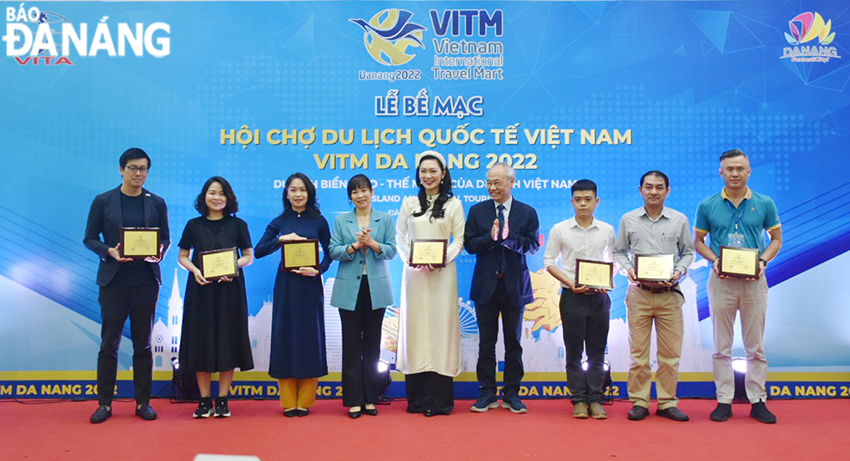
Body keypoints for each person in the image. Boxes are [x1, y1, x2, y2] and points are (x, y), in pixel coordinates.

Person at [694, 149, 782, 424]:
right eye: (729, 169)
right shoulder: (707, 205)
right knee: (722, 345)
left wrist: (763, 261)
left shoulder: (764, 203)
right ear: (721, 172)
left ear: (748, 172)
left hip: (754, 281)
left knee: (755, 345)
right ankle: (724, 399)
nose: (734, 173)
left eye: (740, 169)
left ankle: (758, 400)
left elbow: (776, 239)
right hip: (721, 281)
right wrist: (715, 261)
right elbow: (698, 242)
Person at [83, 147, 169, 424]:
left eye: (143, 168)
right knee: (109, 344)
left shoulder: (156, 202)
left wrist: (160, 252)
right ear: (121, 169)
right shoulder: (103, 201)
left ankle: (143, 402)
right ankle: (105, 404)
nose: (138, 173)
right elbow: (89, 238)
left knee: (143, 346)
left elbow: (165, 239)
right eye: (133, 168)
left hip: (146, 281)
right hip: (114, 282)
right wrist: (109, 251)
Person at [614, 171, 695, 422]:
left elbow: (688, 252)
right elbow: (619, 252)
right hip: (639, 294)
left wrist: (680, 271)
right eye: (648, 187)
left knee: (670, 355)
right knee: (638, 355)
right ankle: (639, 401)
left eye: (659, 187)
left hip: (669, 295)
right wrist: (628, 270)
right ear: (640, 190)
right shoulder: (628, 219)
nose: (653, 192)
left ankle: (667, 402)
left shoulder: (679, 220)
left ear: (667, 191)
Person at [177, 176, 255, 418]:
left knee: (227, 341)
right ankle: (203, 400)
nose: (217, 197)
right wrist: (195, 270)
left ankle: (222, 399)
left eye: (221, 193)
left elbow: (248, 256)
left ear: (228, 197)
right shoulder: (193, 225)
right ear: (204, 197)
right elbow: (182, 257)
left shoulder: (238, 225)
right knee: (201, 343)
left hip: (230, 290)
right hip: (200, 290)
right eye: (212, 193)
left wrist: (234, 267)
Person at [464, 163, 539, 414]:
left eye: (497, 182)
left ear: (511, 182)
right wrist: (491, 237)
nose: (492, 187)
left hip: (514, 287)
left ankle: (512, 393)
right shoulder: (477, 211)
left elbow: (532, 247)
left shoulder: (527, 212)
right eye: (489, 182)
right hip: (486, 287)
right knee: (486, 343)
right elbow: (470, 245)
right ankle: (486, 393)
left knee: (513, 343)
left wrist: (509, 239)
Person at [255, 172, 332, 417]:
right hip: (286, 286)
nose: (298, 194)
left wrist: (318, 269)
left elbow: (331, 253)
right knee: (285, 337)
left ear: (309, 193)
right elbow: (258, 251)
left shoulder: (319, 221)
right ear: (286, 193)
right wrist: (281, 239)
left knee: (311, 339)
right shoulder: (279, 222)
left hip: (310, 285)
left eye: (303, 190)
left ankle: (306, 401)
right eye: (293, 190)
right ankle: (288, 400)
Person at [395, 150, 465, 416]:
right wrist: (409, 259)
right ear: (418, 174)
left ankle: (439, 401)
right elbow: (400, 236)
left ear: (443, 174)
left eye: (433, 171)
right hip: (413, 276)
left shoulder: (454, 205)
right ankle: (416, 400)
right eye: (423, 171)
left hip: (442, 276)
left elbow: (459, 238)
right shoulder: (409, 203)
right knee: (416, 330)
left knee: (439, 329)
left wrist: (441, 259)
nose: (428, 176)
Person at [543, 179, 615, 420]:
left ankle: (595, 399)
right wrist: (570, 283)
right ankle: (578, 400)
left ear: (597, 201)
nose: (583, 204)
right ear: (571, 201)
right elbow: (549, 262)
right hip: (571, 296)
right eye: (578, 199)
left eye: (587, 199)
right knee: (574, 351)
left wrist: (606, 280)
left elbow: (613, 260)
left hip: (599, 298)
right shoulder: (559, 229)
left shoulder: (607, 230)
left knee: (596, 352)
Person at [329, 174, 397, 419]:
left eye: (364, 190)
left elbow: (392, 251)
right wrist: (354, 246)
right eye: (355, 192)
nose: (360, 195)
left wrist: (373, 243)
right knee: (351, 344)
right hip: (349, 290)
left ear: (371, 191)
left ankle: (371, 397)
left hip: (375, 288)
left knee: (371, 345)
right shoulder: (341, 220)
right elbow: (333, 250)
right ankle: (353, 399)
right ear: (350, 196)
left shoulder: (385, 218)